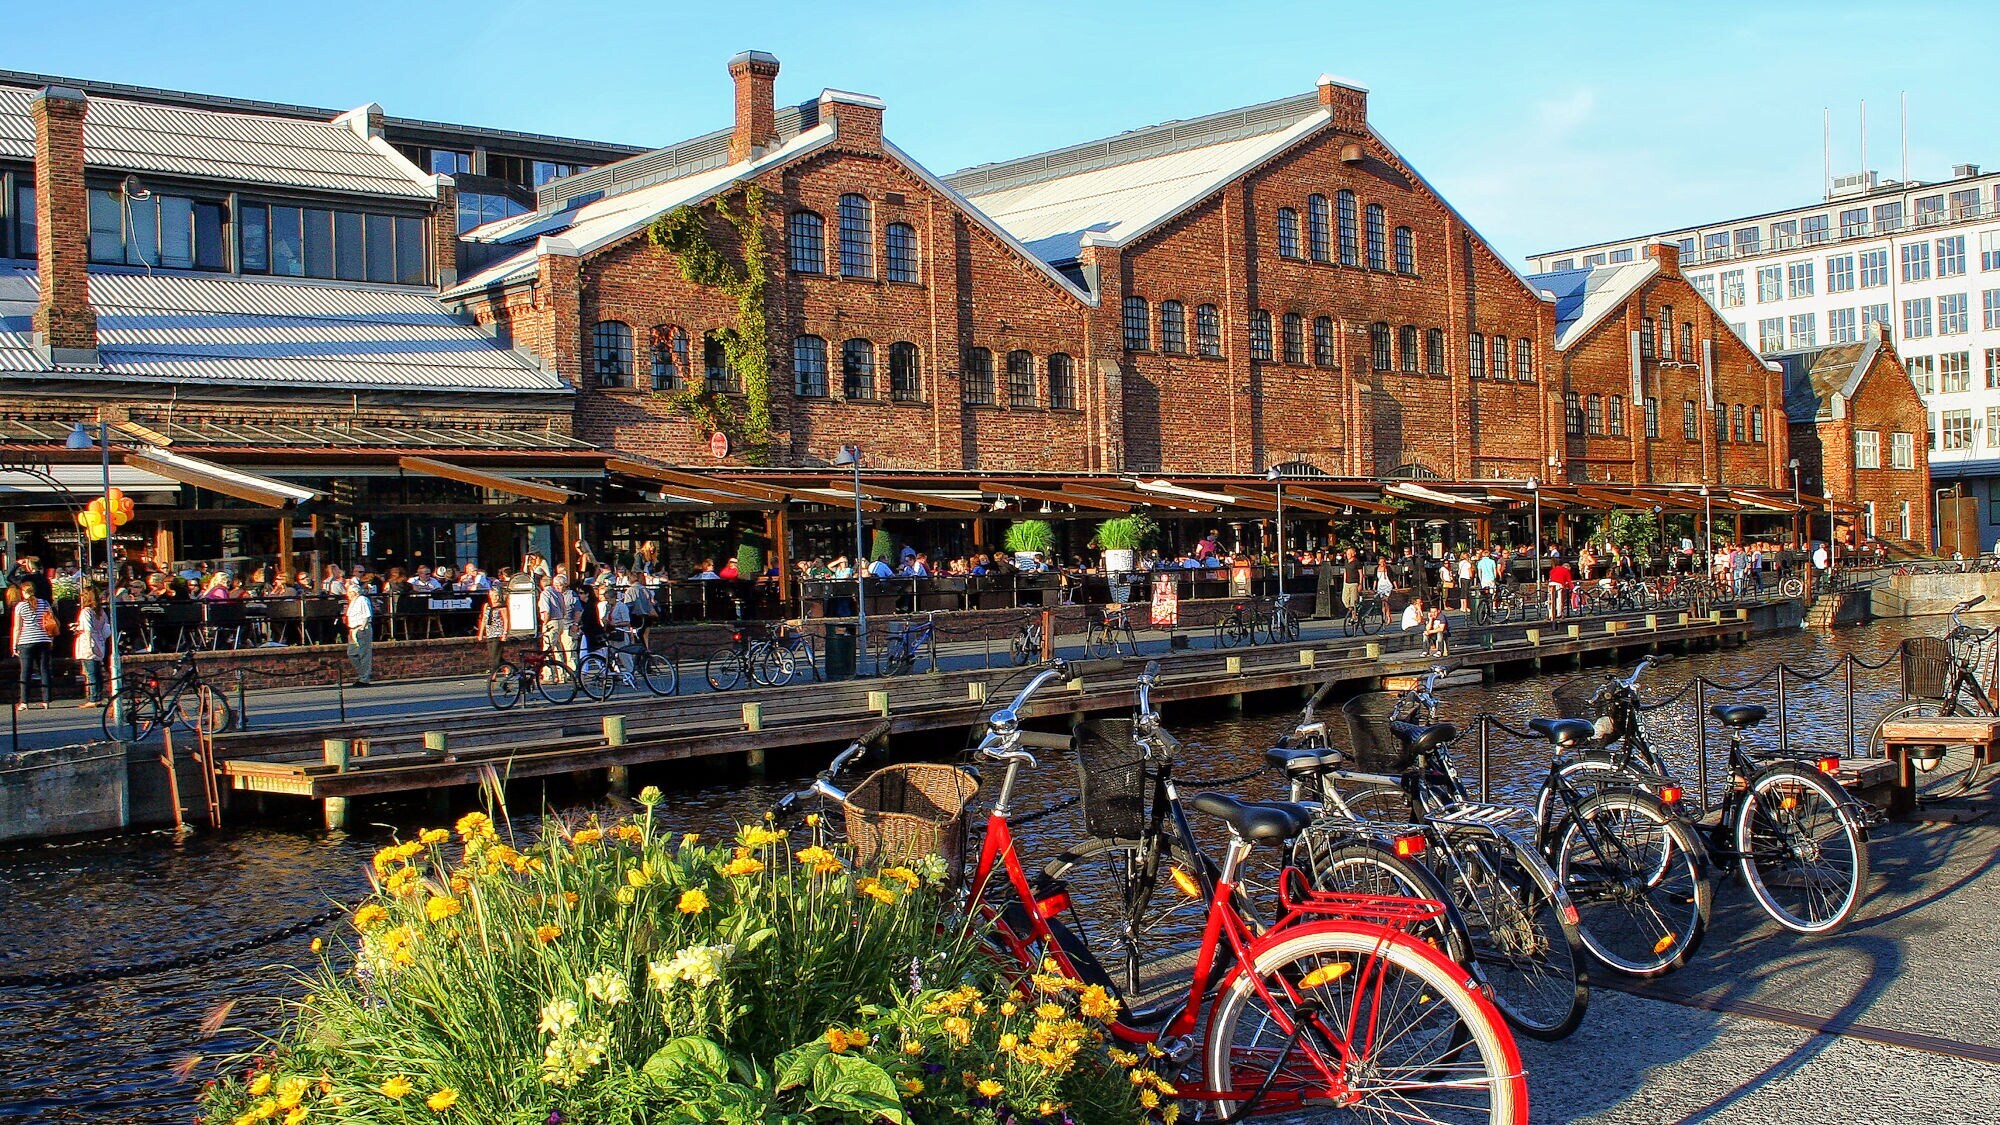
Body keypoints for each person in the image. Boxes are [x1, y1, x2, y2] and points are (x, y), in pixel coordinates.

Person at [11, 578, 56, 710]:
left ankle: (24, 701)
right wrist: (51, 638)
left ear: (23, 593)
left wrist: (15, 644)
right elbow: (51, 621)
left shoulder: (20, 606)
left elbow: (17, 627)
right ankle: (46, 700)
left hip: (26, 641)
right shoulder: (44, 603)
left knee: (25, 672)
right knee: (44, 670)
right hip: (44, 639)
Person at [71, 585, 112, 707]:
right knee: (97, 671)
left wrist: (78, 629)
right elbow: (106, 629)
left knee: (91, 672)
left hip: (88, 642)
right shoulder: (100, 611)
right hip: (99, 641)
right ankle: (98, 696)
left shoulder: (86, 611)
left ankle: (93, 698)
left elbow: (87, 629)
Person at [343, 582, 374, 686]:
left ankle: (364, 678)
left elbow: (367, 614)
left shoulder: (362, 599)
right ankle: (362, 674)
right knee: (352, 653)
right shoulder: (351, 602)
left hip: (361, 628)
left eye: (350, 592)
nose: (349, 595)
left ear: (355, 592)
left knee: (364, 654)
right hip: (352, 629)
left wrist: (362, 628)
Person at [475, 586, 509, 674]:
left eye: (494, 595)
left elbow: (506, 620)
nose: (492, 597)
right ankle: (507, 668)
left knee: (495, 656)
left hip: (498, 633)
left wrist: (505, 633)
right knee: (493, 655)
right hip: (490, 632)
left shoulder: (502, 607)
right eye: (491, 595)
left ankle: (493, 676)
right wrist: (481, 633)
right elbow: (484, 619)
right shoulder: (487, 606)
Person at [1547, 555, 1574, 620]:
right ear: (1568, 567)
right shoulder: (1566, 570)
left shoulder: (1554, 569)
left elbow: (1551, 575)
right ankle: (1559, 613)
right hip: (1559, 584)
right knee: (1559, 599)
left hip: (1551, 584)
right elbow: (1569, 581)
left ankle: (1550, 614)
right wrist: (1572, 589)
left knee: (1550, 599)